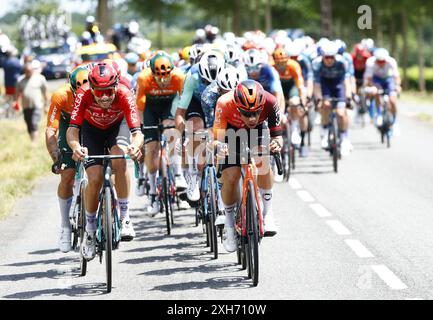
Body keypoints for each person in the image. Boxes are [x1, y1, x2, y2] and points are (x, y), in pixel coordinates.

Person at [66, 62, 144, 261]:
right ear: (91, 89)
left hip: (117, 127)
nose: (104, 97)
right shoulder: (83, 94)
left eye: (109, 91)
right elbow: (73, 130)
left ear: (116, 86)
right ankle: (90, 231)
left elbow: (137, 133)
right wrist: (76, 147)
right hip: (91, 130)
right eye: (99, 93)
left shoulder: (125, 94)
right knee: (95, 177)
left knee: (120, 157)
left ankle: (125, 217)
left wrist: (135, 146)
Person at [213, 80, 283, 252]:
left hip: (258, 131)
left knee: (263, 162)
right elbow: (217, 139)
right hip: (230, 131)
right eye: (246, 113)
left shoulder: (270, 102)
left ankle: (268, 214)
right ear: (237, 106)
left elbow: (278, 137)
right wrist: (220, 148)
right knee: (230, 176)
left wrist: (276, 144)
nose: (252, 118)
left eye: (256, 112)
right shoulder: (224, 103)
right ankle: (229, 226)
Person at [135, 51, 187, 213]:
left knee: (172, 133)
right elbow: (139, 106)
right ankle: (152, 191)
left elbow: (183, 101)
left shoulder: (179, 76)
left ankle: (178, 175)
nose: (163, 80)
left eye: (166, 75)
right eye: (158, 76)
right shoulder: (143, 78)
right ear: (152, 73)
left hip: (169, 105)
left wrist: (180, 122)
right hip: (150, 107)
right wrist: (142, 127)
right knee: (151, 148)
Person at [45, 65, 90, 253]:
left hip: (89, 125)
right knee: (68, 174)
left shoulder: (97, 92)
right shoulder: (60, 95)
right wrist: (56, 155)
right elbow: (50, 130)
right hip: (67, 125)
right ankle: (64, 226)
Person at [175, 50, 225, 203]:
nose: (208, 85)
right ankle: (193, 175)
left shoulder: (227, 74)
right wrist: (181, 134)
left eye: (212, 82)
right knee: (196, 127)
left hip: (218, 101)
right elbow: (180, 112)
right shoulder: (192, 77)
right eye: (205, 81)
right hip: (196, 103)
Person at [312, 40, 353, 156]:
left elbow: (346, 81)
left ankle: (344, 138)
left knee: (341, 113)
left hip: (338, 85)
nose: (329, 60)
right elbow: (316, 85)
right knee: (325, 105)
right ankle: (325, 131)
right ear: (323, 57)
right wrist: (319, 98)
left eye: (332, 57)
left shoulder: (342, 62)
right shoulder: (316, 64)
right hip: (325, 86)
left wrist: (349, 97)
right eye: (327, 57)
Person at [272, 46, 308, 157]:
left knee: (294, 102)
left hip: (291, 87)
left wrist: (303, 102)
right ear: (275, 62)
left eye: (284, 62)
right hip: (278, 87)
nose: (281, 65)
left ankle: (295, 129)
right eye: (279, 63)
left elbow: (300, 86)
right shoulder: (271, 68)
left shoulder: (294, 65)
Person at [364, 48, 401, 134]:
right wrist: (372, 87)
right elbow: (368, 79)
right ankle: (379, 114)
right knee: (376, 92)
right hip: (376, 80)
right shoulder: (370, 62)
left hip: (388, 79)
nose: (381, 63)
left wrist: (398, 86)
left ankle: (395, 122)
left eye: (383, 61)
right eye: (379, 61)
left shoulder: (391, 61)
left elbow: (396, 77)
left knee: (392, 100)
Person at [16, 60, 49, 144]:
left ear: (32, 70)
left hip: (37, 106)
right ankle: (32, 140)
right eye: (26, 72)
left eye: (30, 71)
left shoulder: (40, 78)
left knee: (34, 123)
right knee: (29, 124)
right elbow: (17, 93)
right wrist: (15, 102)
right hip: (26, 106)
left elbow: (45, 93)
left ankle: (35, 142)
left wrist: (46, 105)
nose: (28, 73)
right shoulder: (20, 80)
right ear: (24, 71)